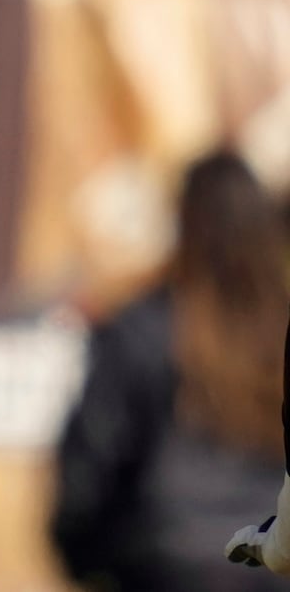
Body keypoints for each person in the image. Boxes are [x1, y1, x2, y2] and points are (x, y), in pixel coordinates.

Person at [48, 151, 289, 591]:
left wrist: (88, 560)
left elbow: (86, 476)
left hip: (165, 565)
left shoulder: (144, 329)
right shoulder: (274, 332)